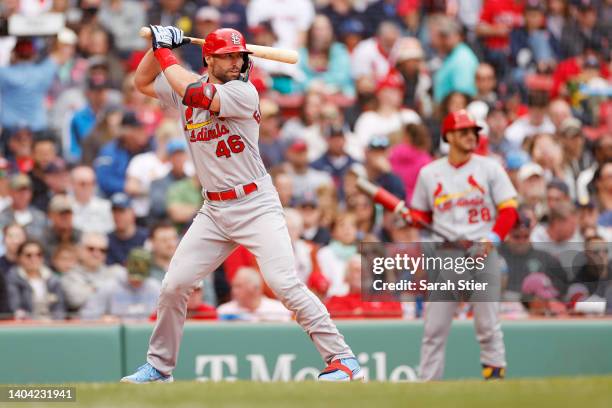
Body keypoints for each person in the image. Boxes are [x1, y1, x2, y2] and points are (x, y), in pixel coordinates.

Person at [122, 26, 361, 383]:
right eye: (229, 56)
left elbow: (197, 94)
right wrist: (157, 49)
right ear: (209, 58)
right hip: (214, 210)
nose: (237, 62)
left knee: (284, 283)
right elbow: (142, 84)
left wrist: (164, 51)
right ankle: (160, 366)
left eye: (239, 56)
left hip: (255, 203)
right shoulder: (186, 85)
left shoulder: (243, 92)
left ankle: (343, 359)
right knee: (174, 285)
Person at [410, 110, 519, 381]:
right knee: (434, 328)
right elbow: (422, 216)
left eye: (473, 131)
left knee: (488, 325)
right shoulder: (429, 173)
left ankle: (495, 379)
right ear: (448, 136)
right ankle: (427, 385)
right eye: (464, 131)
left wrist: (492, 239)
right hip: (446, 254)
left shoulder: (490, 167)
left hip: (480, 250)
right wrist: (411, 218)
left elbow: (509, 210)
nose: (471, 136)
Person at [80, 248, 161, 320]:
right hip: (115, 334)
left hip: (147, 334)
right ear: (126, 265)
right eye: (133, 277)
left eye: (140, 278)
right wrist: (102, 319)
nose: (136, 281)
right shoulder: (109, 286)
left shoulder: (156, 288)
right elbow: (87, 315)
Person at [61, 232, 125, 314]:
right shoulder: (70, 276)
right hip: (84, 324)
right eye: (91, 249)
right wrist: (106, 287)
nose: (97, 254)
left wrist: (91, 289)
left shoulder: (115, 272)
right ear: (80, 250)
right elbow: (76, 300)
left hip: (112, 323)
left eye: (102, 250)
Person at [325, 254, 402, 319]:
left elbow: (398, 313)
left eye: (365, 270)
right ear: (346, 277)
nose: (362, 274)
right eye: (357, 270)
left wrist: (361, 312)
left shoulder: (385, 300)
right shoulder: (335, 301)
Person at [6, 240, 67, 320]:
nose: (34, 258)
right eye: (28, 255)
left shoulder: (53, 279)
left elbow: (60, 308)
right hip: (26, 327)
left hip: (53, 326)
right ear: (19, 257)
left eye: (39, 254)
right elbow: (15, 308)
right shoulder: (12, 278)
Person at [217, 266, 292, 322]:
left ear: (255, 288)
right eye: (233, 286)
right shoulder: (224, 311)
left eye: (239, 286)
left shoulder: (279, 310)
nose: (233, 291)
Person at [0, 174, 47, 241]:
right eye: (19, 191)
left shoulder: (40, 216)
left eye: (26, 191)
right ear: (10, 192)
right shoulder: (2, 216)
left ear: (31, 193)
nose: (23, 195)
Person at [106, 193, 148, 266]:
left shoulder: (146, 237)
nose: (117, 215)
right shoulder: (107, 239)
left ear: (132, 212)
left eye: (122, 211)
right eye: (114, 211)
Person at [70, 165, 114, 234]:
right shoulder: (65, 207)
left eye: (92, 183)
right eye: (82, 183)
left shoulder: (106, 207)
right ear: (72, 184)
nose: (87, 187)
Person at [41, 194, 82, 261]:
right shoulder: (44, 237)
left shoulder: (80, 235)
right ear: (50, 215)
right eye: (61, 214)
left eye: (68, 213)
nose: (65, 217)